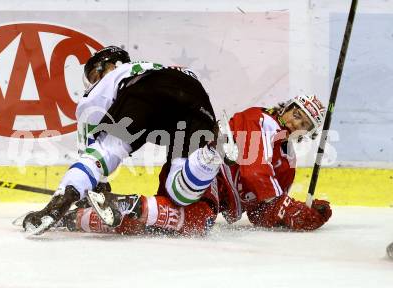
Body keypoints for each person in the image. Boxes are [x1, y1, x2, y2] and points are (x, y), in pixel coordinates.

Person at [22, 46, 234, 235]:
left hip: (145, 92)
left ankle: (58, 203)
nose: (94, 81)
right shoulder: (157, 66)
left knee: (105, 150)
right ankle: (211, 152)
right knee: (180, 192)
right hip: (196, 99)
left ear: (110, 66)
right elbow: (185, 83)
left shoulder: (107, 84)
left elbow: (95, 157)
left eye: (95, 74)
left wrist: (80, 190)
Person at [57, 94, 332, 236]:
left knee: (160, 227)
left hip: (211, 194)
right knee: (198, 219)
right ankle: (131, 204)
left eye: (304, 123)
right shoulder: (261, 120)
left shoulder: (289, 162)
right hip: (198, 169)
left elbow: (261, 211)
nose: (296, 123)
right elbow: (254, 170)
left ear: (307, 133)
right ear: (286, 108)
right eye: (297, 113)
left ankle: (78, 219)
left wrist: (294, 216)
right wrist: (288, 205)